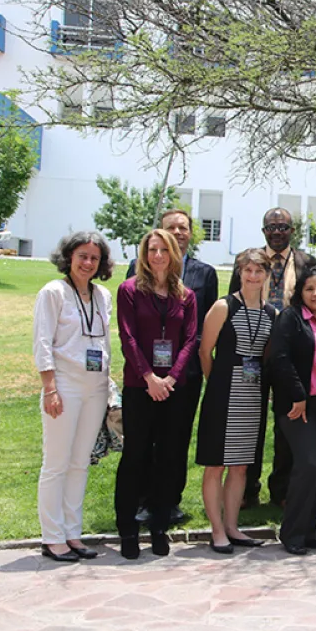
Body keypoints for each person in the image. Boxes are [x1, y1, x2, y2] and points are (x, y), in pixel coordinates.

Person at [125, 208, 218, 525]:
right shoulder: (136, 272)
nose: (178, 232)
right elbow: (130, 327)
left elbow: (204, 329)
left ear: (191, 232)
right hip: (145, 375)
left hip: (185, 374)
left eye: (183, 227)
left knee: (175, 441)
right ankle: (141, 500)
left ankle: (169, 500)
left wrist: (182, 371)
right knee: (144, 439)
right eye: (171, 228)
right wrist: (149, 375)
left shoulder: (204, 274)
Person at [115, 229, 198, 559]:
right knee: (135, 456)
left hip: (172, 390)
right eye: (152, 249)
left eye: (165, 249)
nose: (158, 256)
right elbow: (128, 338)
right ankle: (127, 529)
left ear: (174, 254)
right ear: (144, 254)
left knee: (167, 457)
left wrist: (171, 379)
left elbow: (191, 340)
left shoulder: (186, 295)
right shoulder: (130, 290)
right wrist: (149, 377)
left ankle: (159, 526)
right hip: (139, 387)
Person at [33, 231, 115, 562]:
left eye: (94, 258)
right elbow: (42, 342)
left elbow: (105, 344)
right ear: (69, 257)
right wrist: (49, 387)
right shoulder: (53, 293)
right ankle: (52, 537)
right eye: (82, 255)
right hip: (63, 385)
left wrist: (109, 387)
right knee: (56, 463)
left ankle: (72, 533)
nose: (88, 262)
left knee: (81, 462)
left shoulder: (103, 296)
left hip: (95, 387)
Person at [231, 207, 316, 509]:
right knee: (251, 425)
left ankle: (281, 491)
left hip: (291, 358)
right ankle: (247, 490)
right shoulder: (248, 261)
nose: (277, 231)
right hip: (253, 354)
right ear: (263, 231)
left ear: (292, 230)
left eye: (283, 226)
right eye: (272, 227)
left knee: (287, 425)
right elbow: (235, 303)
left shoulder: (308, 262)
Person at [195, 250, 277, 554]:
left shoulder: (271, 314)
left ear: (267, 274)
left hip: (253, 397)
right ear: (239, 273)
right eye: (248, 270)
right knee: (215, 465)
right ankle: (216, 530)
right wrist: (214, 384)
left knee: (240, 466)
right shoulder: (223, 307)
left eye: (259, 271)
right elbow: (205, 352)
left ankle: (232, 526)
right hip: (222, 394)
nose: (253, 276)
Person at [268, 267, 316, 555]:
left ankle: (308, 532)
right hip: (297, 405)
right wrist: (298, 395)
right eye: (309, 289)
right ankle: (291, 533)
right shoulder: (290, 319)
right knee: (309, 464)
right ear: (300, 293)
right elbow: (280, 358)